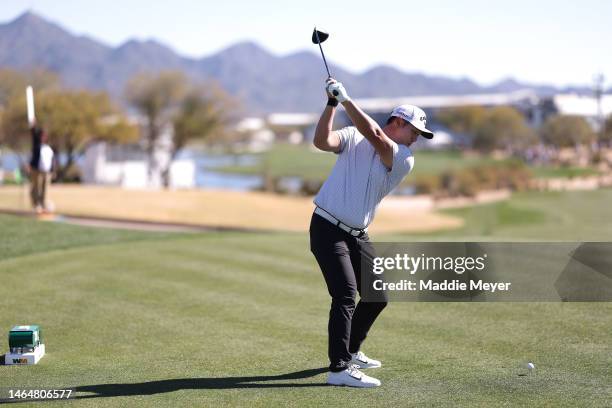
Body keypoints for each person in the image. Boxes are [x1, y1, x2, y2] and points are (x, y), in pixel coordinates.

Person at [310, 78, 434, 387]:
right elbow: (321, 142)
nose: (416, 139)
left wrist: (347, 100)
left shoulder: (404, 157)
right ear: (398, 122)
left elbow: (375, 135)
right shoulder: (352, 135)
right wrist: (331, 104)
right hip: (327, 226)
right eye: (414, 132)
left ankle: (350, 351)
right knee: (346, 294)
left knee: (377, 295)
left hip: (357, 233)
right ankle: (338, 370)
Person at [29, 122, 55, 213]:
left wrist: (52, 171)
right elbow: (33, 135)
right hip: (37, 170)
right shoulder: (37, 145)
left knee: (45, 188)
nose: (44, 137)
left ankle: (43, 204)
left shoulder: (48, 147)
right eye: (42, 135)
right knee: (36, 187)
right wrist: (33, 126)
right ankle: (37, 205)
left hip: (46, 172)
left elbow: (51, 160)